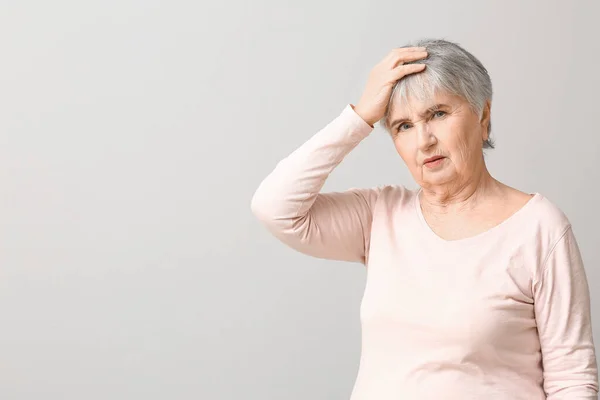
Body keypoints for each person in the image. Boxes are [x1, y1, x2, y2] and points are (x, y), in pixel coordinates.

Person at [250, 38, 598, 399]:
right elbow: (275, 207)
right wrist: (360, 116)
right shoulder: (381, 215)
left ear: (483, 116)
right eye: (403, 126)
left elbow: (572, 380)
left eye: (438, 114)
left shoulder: (539, 227)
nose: (424, 141)